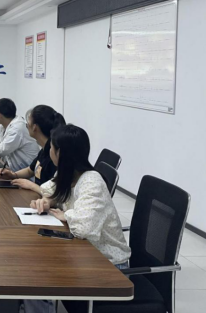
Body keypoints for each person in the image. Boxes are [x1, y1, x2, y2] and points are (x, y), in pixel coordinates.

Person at [25, 125, 131, 313]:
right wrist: (48, 201)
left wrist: (66, 215)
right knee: (32, 265)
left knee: (36, 275)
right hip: (86, 254)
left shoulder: (91, 181)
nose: (49, 151)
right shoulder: (68, 173)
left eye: (51, 148)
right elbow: (49, 189)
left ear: (60, 153)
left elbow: (83, 228)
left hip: (109, 266)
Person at [0, 105, 65, 194]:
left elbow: (54, 193)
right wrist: (13, 175)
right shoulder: (44, 150)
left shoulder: (54, 155)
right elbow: (30, 170)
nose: (26, 126)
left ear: (34, 127)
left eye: (27, 124)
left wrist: (31, 185)